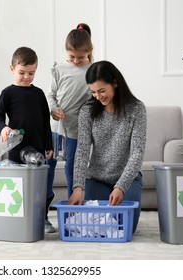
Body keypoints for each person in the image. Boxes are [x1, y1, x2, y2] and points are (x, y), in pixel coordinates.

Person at [68, 60, 147, 233]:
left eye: (102, 90)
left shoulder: (137, 109)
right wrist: (78, 187)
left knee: (124, 226)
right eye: (93, 92)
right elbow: (81, 151)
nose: (98, 96)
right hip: (97, 179)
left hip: (128, 179)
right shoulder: (88, 111)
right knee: (97, 225)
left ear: (115, 83)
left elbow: (137, 153)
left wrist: (121, 186)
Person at [0, 46, 54, 231]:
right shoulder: (8, 93)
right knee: (18, 187)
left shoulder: (39, 94)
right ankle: (18, 218)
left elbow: (45, 122)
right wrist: (3, 128)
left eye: (31, 73)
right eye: (22, 72)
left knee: (41, 187)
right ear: (12, 69)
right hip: (16, 149)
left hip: (38, 148)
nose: (26, 77)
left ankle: (42, 218)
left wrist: (49, 145)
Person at [45, 23, 93, 233]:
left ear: (89, 53)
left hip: (76, 131)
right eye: (71, 57)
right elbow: (50, 95)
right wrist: (54, 108)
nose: (75, 61)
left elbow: (96, 99)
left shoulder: (92, 71)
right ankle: (44, 215)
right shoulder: (58, 69)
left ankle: (76, 213)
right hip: (55, 128)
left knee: (73, 169)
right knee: (48, 168)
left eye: (80, 58)